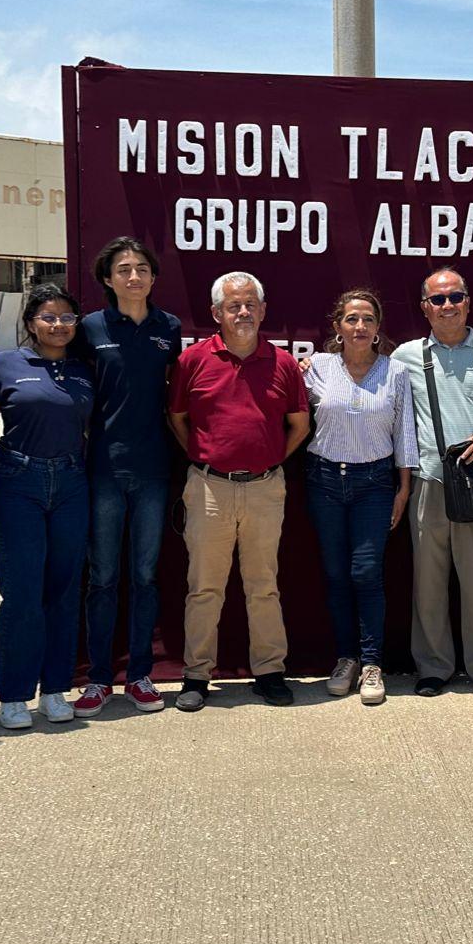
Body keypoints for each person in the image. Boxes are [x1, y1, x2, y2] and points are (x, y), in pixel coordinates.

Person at [168, 272, 310, 712]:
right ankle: (196, 675)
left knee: (263, 585)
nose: (243, 312)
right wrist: (209, 459)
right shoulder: (192, 360)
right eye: (234, 306)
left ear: (263, 311)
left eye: (251, 304)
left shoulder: (283, 364)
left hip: (266, 488)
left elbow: (299, 426)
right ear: (216, 313)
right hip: (209, 488)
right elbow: (178, 419)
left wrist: (268, 461)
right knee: (204, 587)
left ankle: (269, 671)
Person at [391, 267, 473, 701]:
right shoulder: (405, 357)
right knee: (428, 584)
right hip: (429, 483)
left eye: (455, 297)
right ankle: (432, 668)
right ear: (424, 307)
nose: (447, 305)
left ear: (468, 302)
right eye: (438, 299)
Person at [76, 238, 182, 717]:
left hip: (154, 470)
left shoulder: (169, 328)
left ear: (154, 277)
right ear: (107, 278)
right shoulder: (90, 328)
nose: (133, 276)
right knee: (102, 578)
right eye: (123, 269)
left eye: (142, 268)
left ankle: (139, 674)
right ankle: (99, 679)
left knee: (144, 576)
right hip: (103, 469)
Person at [302, 289, 418, 706]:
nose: (360, 327)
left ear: (377, 327)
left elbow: (405, 431)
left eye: (368, 319)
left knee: (366, 573)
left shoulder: (395, 372)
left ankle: (372, 664)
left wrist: (404, 488)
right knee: (335, 575)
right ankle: (346, 658)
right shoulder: (317, 367)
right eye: (351, 319)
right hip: (325, 479)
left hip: (375, 483)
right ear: (338, 327)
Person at [0, 284, 95, 729]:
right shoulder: (6, 364)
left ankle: (54, 689)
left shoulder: (85, 369)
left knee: (64, 591)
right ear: (31, 322)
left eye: (67, 318)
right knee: (22, 592)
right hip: (19, 482)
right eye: (49, 317)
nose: (59, 326)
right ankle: (14, 694)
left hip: (72, 482)